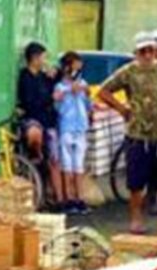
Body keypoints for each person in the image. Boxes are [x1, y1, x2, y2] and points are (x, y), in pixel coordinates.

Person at [98, 32, 157, 232]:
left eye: (150, 50)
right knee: (136, 184)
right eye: (143, 51)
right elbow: (103, 91)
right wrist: (122, 109)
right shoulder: (128, 71)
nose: (147, 55)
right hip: (138, 136)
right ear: (137, 53)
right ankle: (136, 220)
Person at [18, 42, 63, 206]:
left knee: (54, 158)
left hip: (48, 121)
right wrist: (51, 98)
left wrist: (55, 74)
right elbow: (29, 103)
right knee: (35, 135)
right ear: (35, 58)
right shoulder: (25, 77)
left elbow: (57, 79)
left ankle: (58, 198)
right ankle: (36, 156)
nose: (45, 61)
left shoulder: (43, 77)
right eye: (43, 57)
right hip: (34, 119)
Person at [53, 52, 92, 215]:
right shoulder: (60, 87)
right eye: (74, 67)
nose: (77, 71)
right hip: (66, 128)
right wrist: (68, 91)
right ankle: (69, 199)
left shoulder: (83, 84)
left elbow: (88, 105)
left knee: (79, 166)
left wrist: (86, 93)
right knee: (67, 165)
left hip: (80, 128)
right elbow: (56, 104)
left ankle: (79, 198)